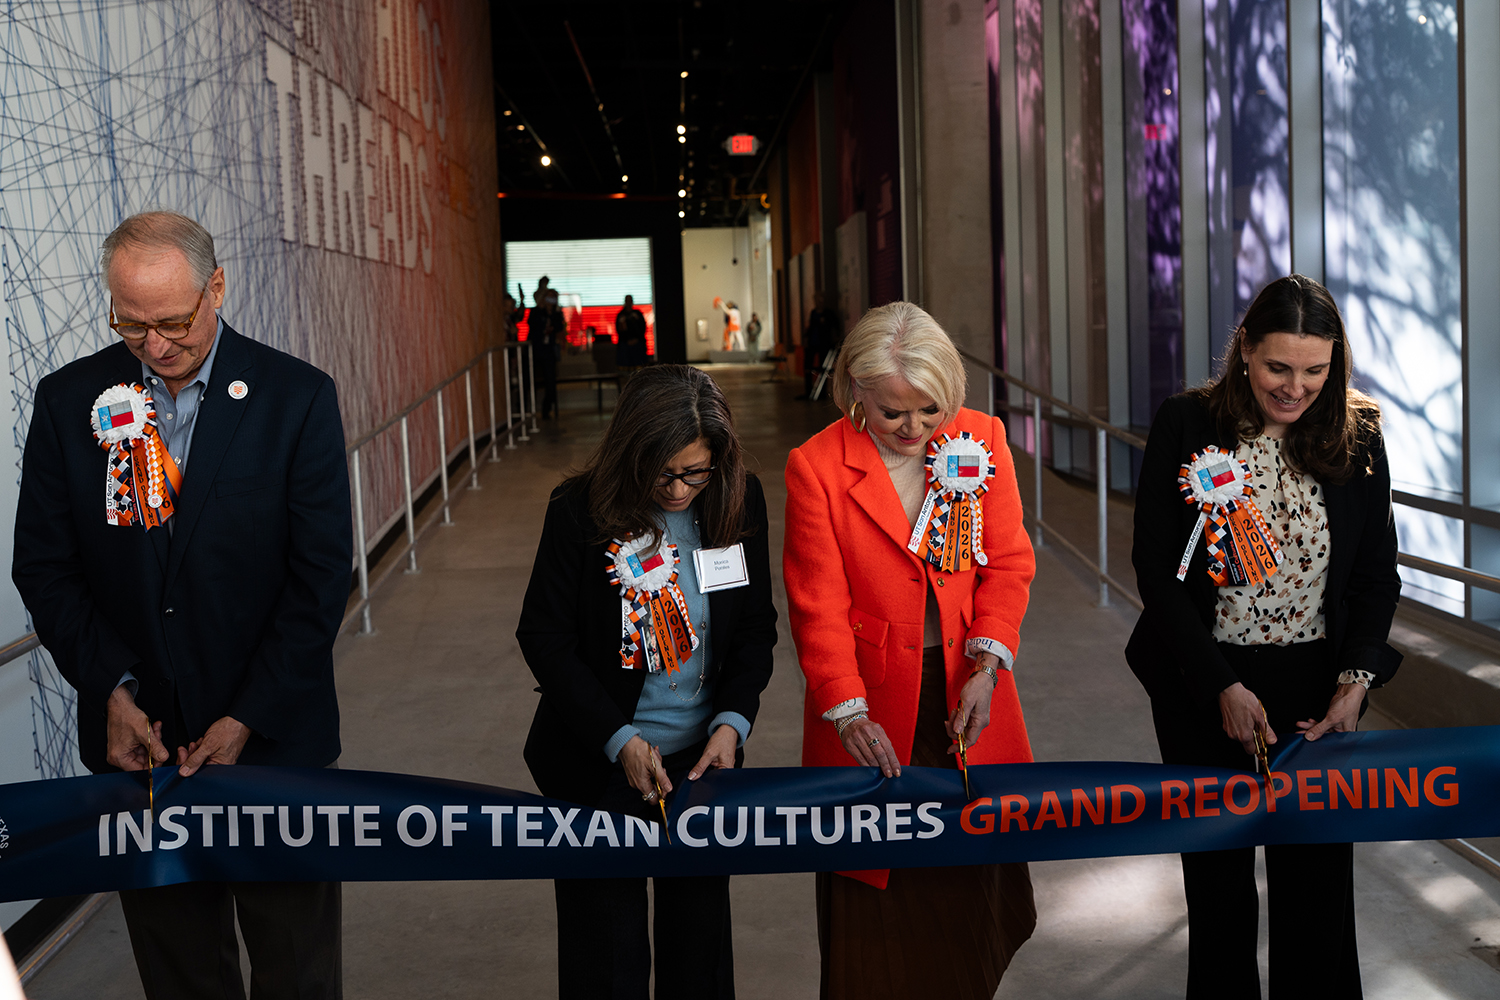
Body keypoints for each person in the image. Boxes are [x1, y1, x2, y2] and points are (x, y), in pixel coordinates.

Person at [12, 210, 351, 999]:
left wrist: (247, 714)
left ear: (217, 287)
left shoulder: (295, 399)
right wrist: (112, 689)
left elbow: (319, 578)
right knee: (182, 977)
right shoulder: (69, 404)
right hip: (143, 756)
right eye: (130, 325)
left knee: (296, 970)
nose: (155, 347)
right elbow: (46, 567)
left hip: (273, 748)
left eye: (172, 322)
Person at [1126, 274, 1401, 1000]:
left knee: (1317, 892)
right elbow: (1156, 571)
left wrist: (1357, 679)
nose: (1295, 388)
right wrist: (1220, 683)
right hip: (1201, 679)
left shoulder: (1360, 429)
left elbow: (1376, 573)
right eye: (1279, 367)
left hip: (1314, 686)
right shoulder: (1187, 423)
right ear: (1243, 348)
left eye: (1316, 371)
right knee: (1217, 891)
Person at [783, 301, 1037, 999]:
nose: (915, 430)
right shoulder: (816, 467)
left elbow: (1008, 565)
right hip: (868, 710)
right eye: (893, 413)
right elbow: (817, 604)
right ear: (855, 391)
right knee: (877, 906)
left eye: (930, 411)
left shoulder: (982, 439)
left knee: (969, 885)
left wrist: (988, 666)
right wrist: (845, 709)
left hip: (967, 692)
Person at [516, 365, 777, 999]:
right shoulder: (578, 510)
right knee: (604, 952)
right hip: (598, 763)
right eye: (664, 473)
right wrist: (619, 739)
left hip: (699, 767)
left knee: (700, 946)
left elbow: (754, 629)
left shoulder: (738, 499)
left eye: (696, 471)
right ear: (632, 452)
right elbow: (544, 638)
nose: (682, 488)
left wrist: (732, 724)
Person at [527, 289, 565, 419]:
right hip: (536, 350)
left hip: (549, 351)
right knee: (530, 381)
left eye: (553, 299)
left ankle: (546, 410)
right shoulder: (536, 312)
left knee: (550, 382)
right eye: (548, 298)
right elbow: (532, 326)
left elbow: (560, 328)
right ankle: (526, 409)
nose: (550, 302)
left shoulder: (557, 314)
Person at [800, 293, 837, 398]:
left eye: (820, 300)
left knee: (823, 367)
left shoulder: (829, 313)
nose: (819, 303)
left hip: (824, 344)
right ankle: (808, 391)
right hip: (813, 343)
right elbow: (811, 327)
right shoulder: (813, 313)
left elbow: (834, 326)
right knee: (808, 366)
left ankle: (822, 392)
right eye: (817, 300)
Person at [615, 294, 649, 372]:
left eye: (630, 301)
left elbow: (642, 328)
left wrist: (636, 340)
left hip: (638, 344)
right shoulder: (621, 315)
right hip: (625, 345)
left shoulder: (637, 314)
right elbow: (619, 331)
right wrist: (627, 341)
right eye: (627, 301)